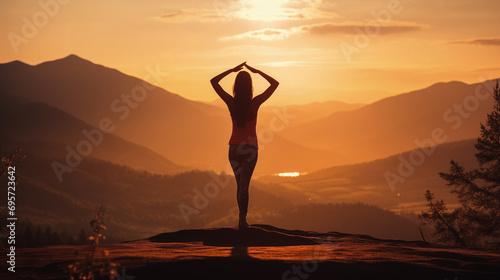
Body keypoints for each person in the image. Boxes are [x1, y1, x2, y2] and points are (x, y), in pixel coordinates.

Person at [210, 62, 279, 228]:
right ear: (250, 87)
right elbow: (275, 84)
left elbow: (214, 82)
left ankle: (241, 219)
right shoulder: (254, 103)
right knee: (244, 186)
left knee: (239, 185)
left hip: (234, 148)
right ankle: (242, 220)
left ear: (236, 86)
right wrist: (257, 72)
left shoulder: (230, 102)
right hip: (249, 150)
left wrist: (231, 70)